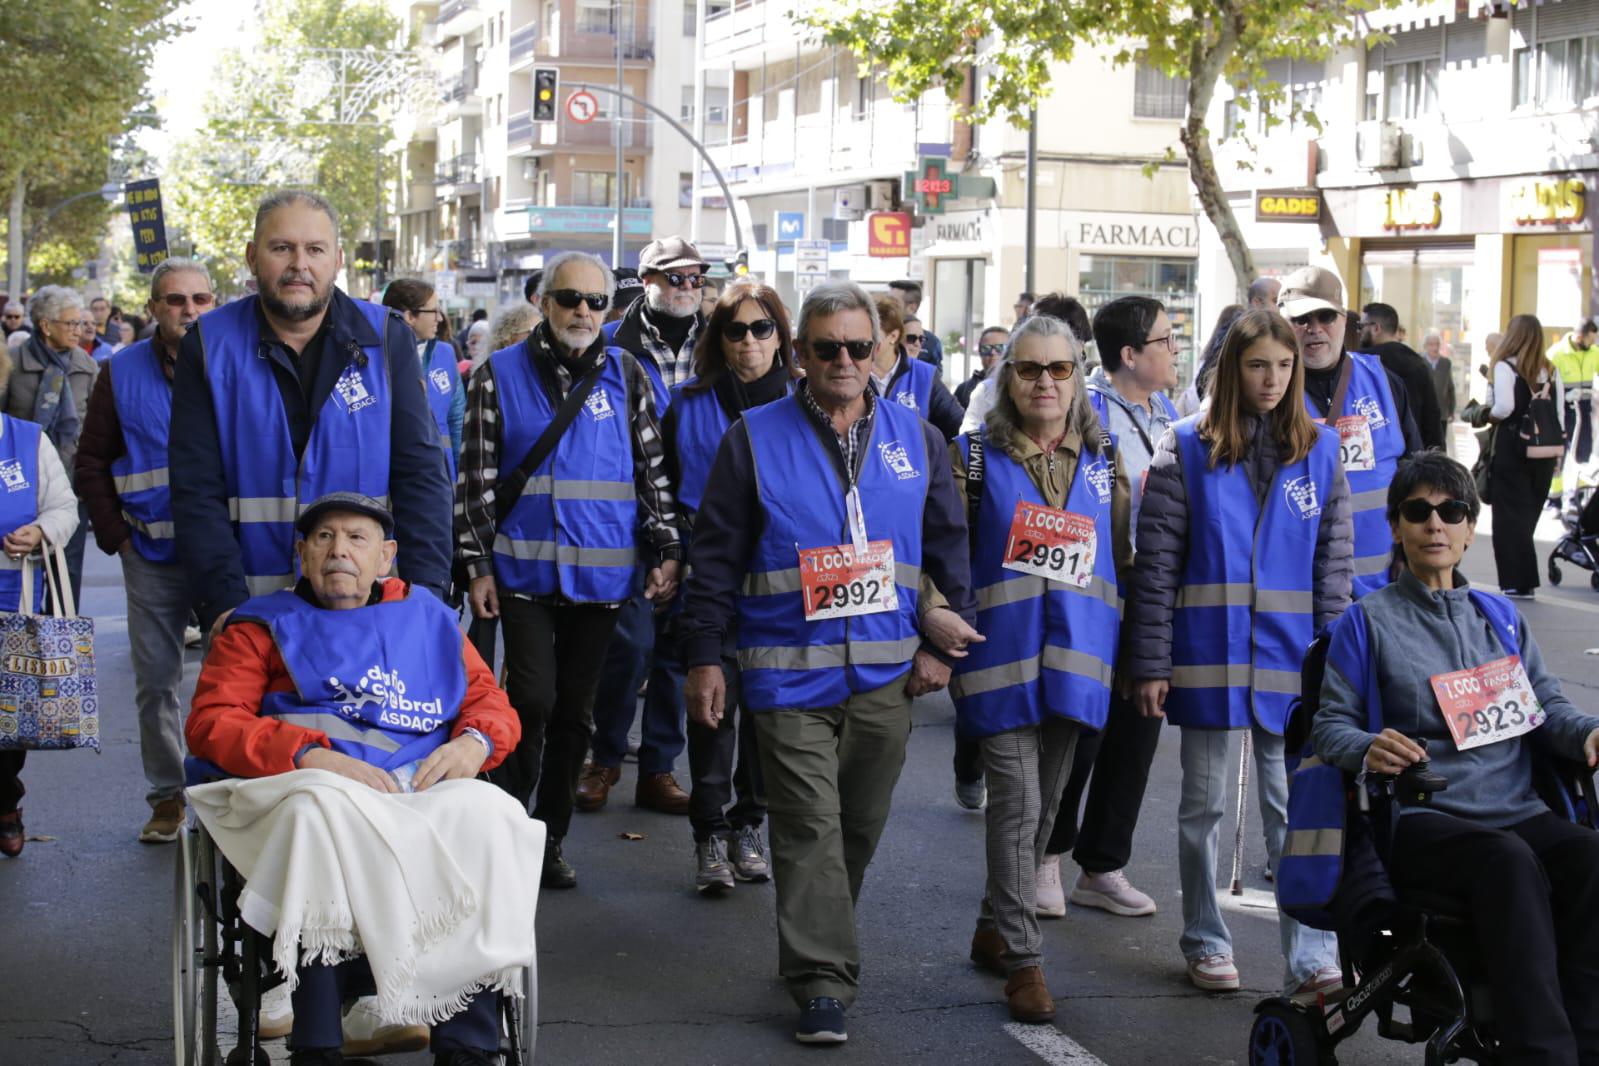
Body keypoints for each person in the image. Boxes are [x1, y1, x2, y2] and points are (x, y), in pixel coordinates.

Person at [679, 280, 978, 1044]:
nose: (843, 360)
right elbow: (712, 560)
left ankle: (816, 931)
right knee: (807, 828)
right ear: (800, 354)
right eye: (826, 348)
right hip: (786, 674)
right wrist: (705, 659)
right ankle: (820, 978)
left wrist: (945, 641)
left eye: (857, 346)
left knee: (856, 827)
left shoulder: (919, 438)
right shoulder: (751, 438)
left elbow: (946, 552)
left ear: (879, 351)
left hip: (885, 674)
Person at [184, 493, 527, 1066]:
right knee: (320, 809)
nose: (338, 550)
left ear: (386, 557)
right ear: (301, 553)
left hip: (415, 789)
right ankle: (318, 1045)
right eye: (323, 538)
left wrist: (476, 742)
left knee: (490, 814)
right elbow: (212, 723)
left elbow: (490, 702)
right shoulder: (260, 627)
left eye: (356, 538)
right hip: (308, 788)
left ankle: (468, 1045)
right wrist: (310, 758)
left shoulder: (430, 620)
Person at [1310, 452, 1599, 1064]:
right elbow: (1328, 727)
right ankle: (1541, 1054)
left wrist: (1589, 735)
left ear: (1469, 529)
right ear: (1396, 527)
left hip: (1516, 809)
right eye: (1418, 512)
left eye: (1451, 511)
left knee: (1589, 857)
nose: (1434, 524)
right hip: (1424, 819)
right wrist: (1370, 745)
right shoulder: (1366, 623)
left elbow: (1548, 709)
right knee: (1509, 862)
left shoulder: (1499, 616)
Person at [1126, 308, 1350, 998]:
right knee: (1201, 809)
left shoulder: (1321, 448)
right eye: (1258, 365)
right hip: (1206, 655)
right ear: (1231, 369)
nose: (1273, 379)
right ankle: (1203, 936)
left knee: (1292, 814)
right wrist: (1150, 662)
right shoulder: (1184, 445)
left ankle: (1309, 954)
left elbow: (1332, 570)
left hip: (1291, 664)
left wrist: (1336, 673)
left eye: (1284, 366)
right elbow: (1156, 566)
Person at [455, 251, 683, 889]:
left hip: (603, 581)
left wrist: (666, 546)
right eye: (569, 299)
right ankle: (504, 827)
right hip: (521, 578)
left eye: (596, 301)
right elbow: (474, 481)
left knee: (576, 716)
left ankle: (548, 841)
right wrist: (476, 564)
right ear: (545, 304)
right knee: (530, 700)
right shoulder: (498, 375)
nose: (583, 311)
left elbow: (652, 472)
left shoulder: (627, 374)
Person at [169, 189, 453, 638]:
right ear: (252, 257)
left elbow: (421, 475)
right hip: (250, 614)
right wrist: (221, 603)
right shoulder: (206, 345)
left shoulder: (386, 340)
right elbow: (195, 489)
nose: (299, 264)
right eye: (282, 248)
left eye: (314, 249)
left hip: (369, 611)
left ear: (336, 259)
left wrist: (427, 594)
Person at [953, 315, 1130, 1023]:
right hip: (997, 660)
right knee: (1018, 806)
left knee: (1044, 811)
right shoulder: (968, 458)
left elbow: (1120, 556)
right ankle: (1024, 963)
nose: (1044, 382)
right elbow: (945, 555)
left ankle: (993, 924)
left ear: (1076, 375)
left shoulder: (1104, 454)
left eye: (1059, 369)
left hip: (1077, 663)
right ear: (1006, 377)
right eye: (1029, 369)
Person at [1036, 295, 1179, 923]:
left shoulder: (1169, 410)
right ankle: (1046, 854)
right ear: (1130, 355)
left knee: (1138, 729)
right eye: (1166, 341)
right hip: (1099, 593)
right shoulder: (1085, 411)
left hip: (1155, 594)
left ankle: (1102, 865)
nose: (1176, 351)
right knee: (1083, 729)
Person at [74, 258, 216, 844]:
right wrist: (117, 536)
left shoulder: (237, 359)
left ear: (214, 304)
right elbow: (91, 461)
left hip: (224, 553)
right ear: (153, 307)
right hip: (150, 552)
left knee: (233, 675)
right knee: (157, 681)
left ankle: (228, 792)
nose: (189, 311)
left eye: (200, 300)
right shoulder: (121, 371)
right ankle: (167, 796)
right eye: (176, 301)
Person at [661, 281, 793, 893]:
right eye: (734, 330)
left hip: (780, 591)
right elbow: (657, 486)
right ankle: (710, 834)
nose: (748, 342)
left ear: (780, 337)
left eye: (761, 329)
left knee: (768, 718)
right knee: (712, 712)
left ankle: (750, 824)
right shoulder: (687, 403)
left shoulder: (804, 403)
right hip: (707, 580)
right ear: (717, 339)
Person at [577, 237, 707, 818]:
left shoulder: (722, 339)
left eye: (696, 277)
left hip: (701, 510)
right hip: (625, 514)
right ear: (647, 281)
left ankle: (658, 768)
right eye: (675, 278)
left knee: (677, 649)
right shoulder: (609, 344)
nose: (688, 288)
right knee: (627, 643)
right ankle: (603, 757)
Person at [1277, 270, 1420, 599]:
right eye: (1301, 319)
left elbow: (1415, 473)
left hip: (1380, 587)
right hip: (1297, 589)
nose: (1315, 329)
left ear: (1344, 319)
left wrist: (1408, 553)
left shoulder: (1383, 381)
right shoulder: (1269, 389)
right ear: (1283, 324)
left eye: (1325, 316)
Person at [0, 346, 86, 859]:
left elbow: (64, 508)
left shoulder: (26, 440)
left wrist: (40, 530)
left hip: (15, 602)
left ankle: (6, 802)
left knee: (7, 726)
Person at [6, 286, 98, 604]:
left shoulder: (85, 366)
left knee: (65, 573)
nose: (79, 330)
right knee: (19, 571)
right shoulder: (13, 364)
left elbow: (98, 429)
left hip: (71, 485)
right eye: (71, 323)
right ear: (46, 325)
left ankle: (58, 645)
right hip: (18, 484)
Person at [1486, 314, 1565, 598]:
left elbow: (1504, 407)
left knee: (1508, 517)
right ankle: (1524, 578)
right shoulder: (1550, 370)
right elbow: (1557, 414)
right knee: (1528, 514)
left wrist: (1488, 415)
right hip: (1544, 451)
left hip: (1514, 448)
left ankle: (1518, 580)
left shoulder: (1505, 366)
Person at [381, 279, 464, 480]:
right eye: (433, 311)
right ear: (409, 316)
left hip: (440, 476)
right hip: (391, 477)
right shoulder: (374, 356)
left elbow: (457, 418)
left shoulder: (445, 353)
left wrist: (460, 478)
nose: (440, 318)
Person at [869, 295, 963, 439]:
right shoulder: (851, 371)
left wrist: (937, 456)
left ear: (893, 336)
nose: (865, 341)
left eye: (873, 335)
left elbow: (959, 423)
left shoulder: (925, 375)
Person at [1357, 301, 1445, 451]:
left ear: (1376, 328)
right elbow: (1431, 417)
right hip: (1413, 454)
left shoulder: (1361, 362)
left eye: (1361, 326)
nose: (1358, 332)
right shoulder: (1418, 363)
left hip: (1374, 454)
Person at [1547, 318, 1598, 509]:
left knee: (1583, 454)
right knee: (1560, 454)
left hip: (1584, 411)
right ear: (1579, 336)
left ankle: (1578, 497)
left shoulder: (1594, 353)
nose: (1592, 343)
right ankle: (1554, 499)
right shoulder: (1556, 354)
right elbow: (1546, 384)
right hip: (1563, 412)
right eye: (1590, 339)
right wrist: (1567, 396)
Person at [887, 279, 944, 370]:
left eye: (893, 303)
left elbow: (934, 380)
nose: (887, 307)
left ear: (912, 308)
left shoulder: (931, 343)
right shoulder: (879, 336)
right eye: (886, 301)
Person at [955, 326, 1008, 409]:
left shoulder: (1022, 388)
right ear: (980, 352)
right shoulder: (963, 390)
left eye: (1000, 348)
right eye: (986, 348)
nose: (993, 353)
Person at [1422, 328, 1457, 449]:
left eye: (1437, 344)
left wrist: (1451, 410)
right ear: (1425, 346)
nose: (1434, 348)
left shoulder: (1446, 363)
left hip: (1441, 411)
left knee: (1440, 443)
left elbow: (1450, 387)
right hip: (1423, 411)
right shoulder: (1419, 361)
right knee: (1425, 443)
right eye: (1431, 344)